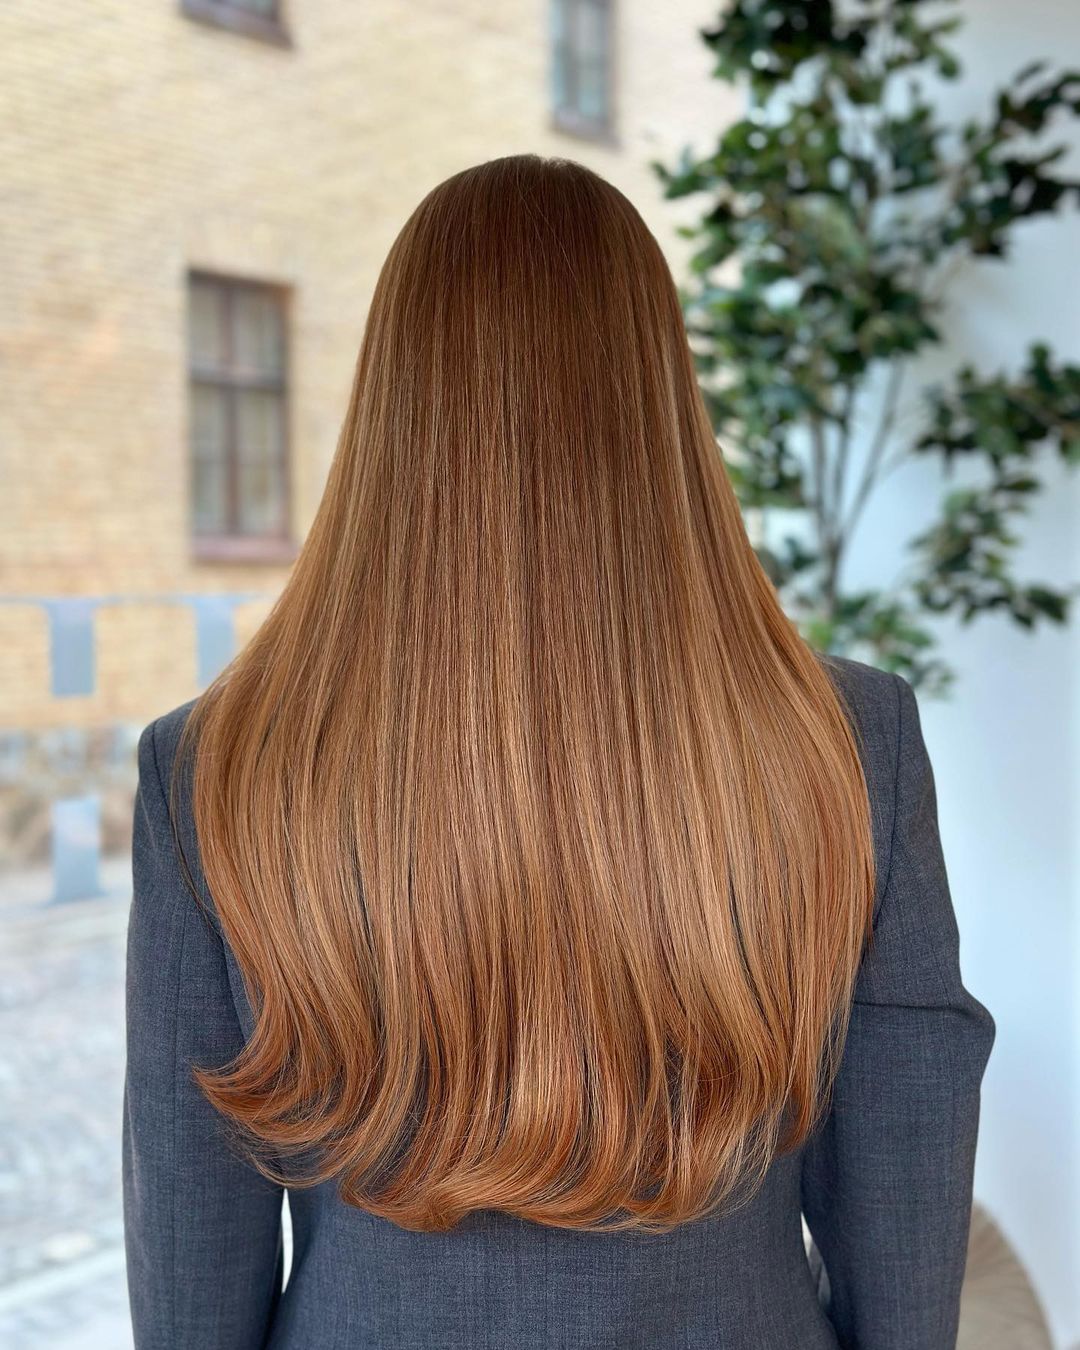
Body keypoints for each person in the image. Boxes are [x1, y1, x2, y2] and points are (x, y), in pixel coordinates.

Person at [122, 154, 996, 1350]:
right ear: (661, 392)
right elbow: (906, 1196)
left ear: (396, 400)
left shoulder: (218, 768)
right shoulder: (848, 741)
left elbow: (190, 1262)